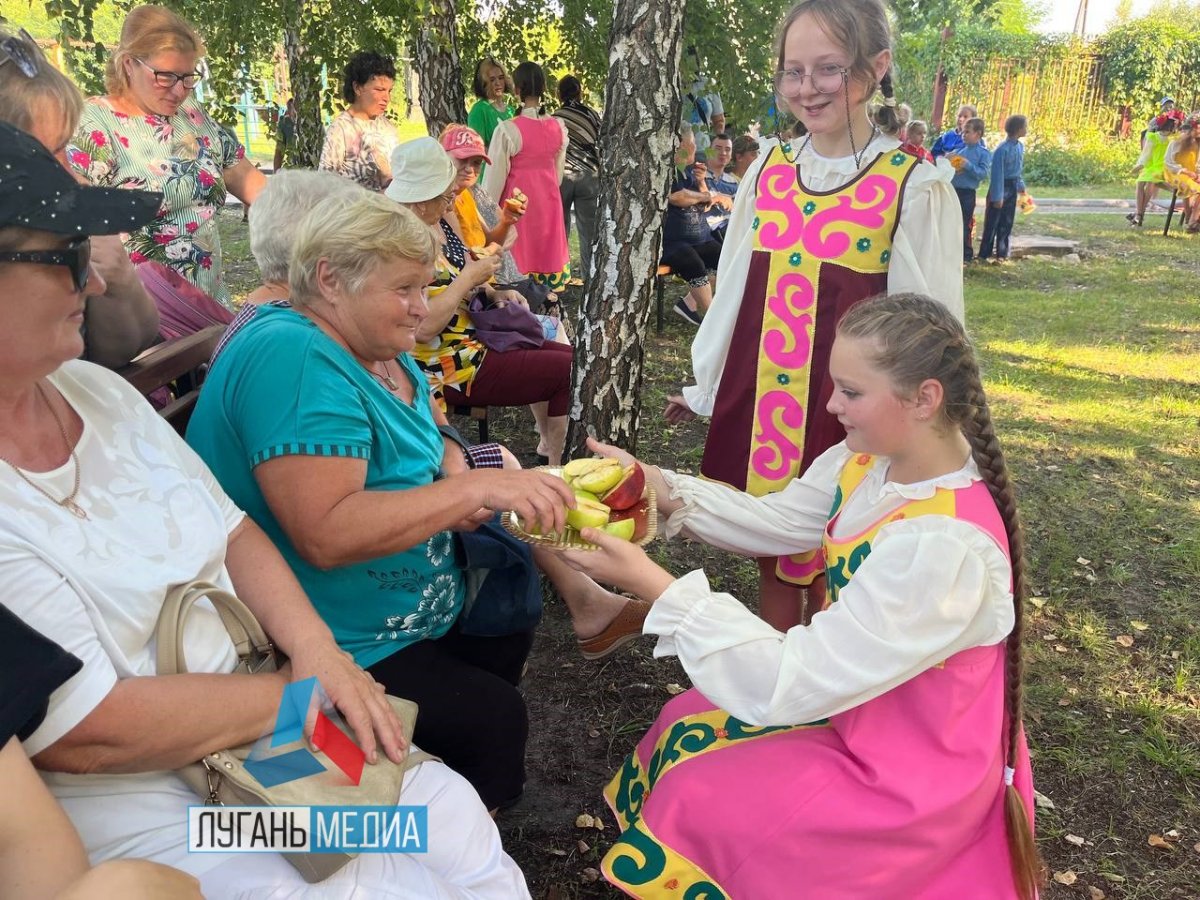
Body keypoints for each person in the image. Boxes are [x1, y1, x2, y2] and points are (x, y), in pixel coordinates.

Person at [0, 122, 529, 898]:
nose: (98, 283)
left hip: (264, 725)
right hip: (158, 791)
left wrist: (318, 654)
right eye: (66, 256)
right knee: (380, 880)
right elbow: (88, 732)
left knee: (445, 816)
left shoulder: (97, 392)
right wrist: (304, 692)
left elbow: (233, 527)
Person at [554, 292, 1042, 899]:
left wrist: (654, 585)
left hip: (911, 763)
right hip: (860, 702)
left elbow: (793, 675)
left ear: (925, 399)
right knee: (683, 720)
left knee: (701, 794)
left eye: (852, 391)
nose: (832, 405)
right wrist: (662, 487)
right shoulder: (868, 461)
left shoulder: (944, 548)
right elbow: (781, 523)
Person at [187, 188, 648, 811]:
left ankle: (430, 809)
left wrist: (455, 462)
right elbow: (326, 534)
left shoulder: (366, 340)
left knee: (505, 612)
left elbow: (427, 427)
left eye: (425, 286)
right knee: (493, 722)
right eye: (404, 289)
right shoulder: (293, 356)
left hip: (395, 611)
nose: (420, 309)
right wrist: (476, 486)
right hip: (328, 638)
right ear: (329, 279)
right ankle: (417, 834)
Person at [665, 0, 963, 631]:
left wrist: (923, 417)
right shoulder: (768, 171)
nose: (807, 88)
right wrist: (708, 385)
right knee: (774, 543)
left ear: (876, 67)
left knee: (845, 541)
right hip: (767, 398)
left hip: (847, 400)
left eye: (829, 68)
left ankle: (826, 677)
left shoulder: (910, 182)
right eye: (793, 71)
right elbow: (739, 286)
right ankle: (777, 682)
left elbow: (927, 322)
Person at [66, 5, 266, 309]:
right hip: (139, 317)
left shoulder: (192, 115)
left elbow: (254, 185)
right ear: (129, 64)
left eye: (188, 77)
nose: (179, 90)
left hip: (209, 307)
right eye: (165, 76)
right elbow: (77, 227)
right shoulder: (94, 125)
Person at [0, 606, 204, 899]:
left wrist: (292, 677)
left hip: (208, 795)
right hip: (147, 812)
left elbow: (23, 841)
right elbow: (96, 731)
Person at [393, 138, 574, 465]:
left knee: (574, 359)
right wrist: (468, 280)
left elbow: (467, 266)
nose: (452, 199)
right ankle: (560, 470)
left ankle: (555, 458)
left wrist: (491, 291)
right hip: (448, 365)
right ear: (419, 200)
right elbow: (422, 327)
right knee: (571, 368)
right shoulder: (402, 242)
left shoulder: (437, 221)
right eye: (445, 193)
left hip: (474, 343)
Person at [0, 25, 159, 368]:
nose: (75, 177)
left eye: (67, 150)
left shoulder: (68, 229)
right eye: (50, 154)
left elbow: (124, 350)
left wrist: (119, 278)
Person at [483, 61, 572, 290]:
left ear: (517, 90)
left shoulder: (508, 130)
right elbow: (557, 176)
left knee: (516, 281)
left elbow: (493, 182)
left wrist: (486, 214)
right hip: (549, 208)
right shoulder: (558, 127)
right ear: (542, 88)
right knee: (546, 284)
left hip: (518, 210)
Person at [661, 124, 724, 326]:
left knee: (725, 257)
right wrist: (705, 195)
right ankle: (714, 323)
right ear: (680, 144)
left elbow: (706, 205)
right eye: (693, 142)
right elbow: (677, 197)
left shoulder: (690, 170)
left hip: (700, 238)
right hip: (672, 242)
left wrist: (702, 184)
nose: (696, 147)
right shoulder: (667, 169)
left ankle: (692, 306)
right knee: (691, 261)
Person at [318, 50, 400, 192]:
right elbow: (324, 183)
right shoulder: (341, 129)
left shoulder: (388, 128)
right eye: (379, 90)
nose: (386, 98)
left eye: (389, 91)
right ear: (357, 88)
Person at [552, 74, 601, 281]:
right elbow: (601, 142)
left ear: (559, 95)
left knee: (560, 229)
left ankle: (559, 277)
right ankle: (590, 278)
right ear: (580, 92)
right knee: (588, 231)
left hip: (562, 176)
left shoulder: (554, 118)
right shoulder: (592, 114)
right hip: (589, 176)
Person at [979, 114, 1027, 263]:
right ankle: (984, 253)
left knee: (1007, 221)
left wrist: (1021, 187)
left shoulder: (1020, 147)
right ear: (1018, 129)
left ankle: (1002, 253)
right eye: (1025, 127)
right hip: (1000, 187)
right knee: (992, 222)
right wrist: (998, 196)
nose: (1027, 130)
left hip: (1012, 186)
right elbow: (997, 174)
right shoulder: (1002, 149)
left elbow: (1017, 170)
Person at [949, 116, 991, 262]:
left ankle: (966, 254)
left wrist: (968, 166)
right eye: (963, 132)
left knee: (965, 223)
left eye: (967, 132)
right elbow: (951, 172)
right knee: (951, 222)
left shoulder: (983, 154)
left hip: (968, 193)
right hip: (954, 191)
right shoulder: (959, 151)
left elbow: (982, 174)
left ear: (978, 134)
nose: (963, 135)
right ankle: (951, 251)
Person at [1129, 112, 1177, 227]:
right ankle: (1139, 214)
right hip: (1152, 166)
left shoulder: (1173, 140)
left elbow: (1174, 157)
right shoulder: (1153, 137)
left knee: (1151, 182)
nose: (1165, 132)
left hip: (1165, 167)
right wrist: (1140, 165)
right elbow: (1146, 154)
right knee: (1140, 182)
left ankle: (1139, 214)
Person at [467, 57, 514, 171]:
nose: (498, 83)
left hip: (512, 175)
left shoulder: (511, 110)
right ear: (484, 83)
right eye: (492, 79)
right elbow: (477, 149)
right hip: (489, 175)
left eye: (501, 78)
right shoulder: (479, 110)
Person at [1164, 113, 1200, 233]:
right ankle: (1190, 221)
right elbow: (1168, 162)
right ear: (1192, 128)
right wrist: (1184, 171)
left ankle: (1193, 221)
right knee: (1188, 185)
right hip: (1176, 173)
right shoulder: (1177, 141)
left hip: (1194, 174)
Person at [273, 97, 296, 171]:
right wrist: (276, 173)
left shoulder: (313, 124)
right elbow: (279, 151)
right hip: (292, 167)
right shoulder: (285, 122)